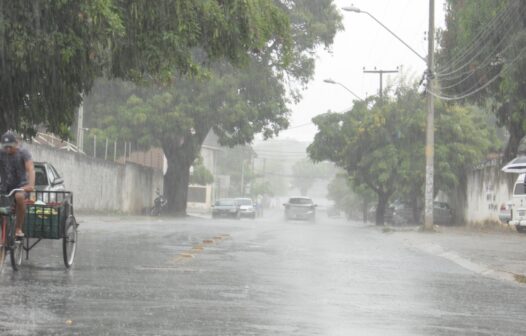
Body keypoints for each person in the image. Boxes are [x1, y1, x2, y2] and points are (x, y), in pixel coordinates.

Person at [0, 131, 35, 238]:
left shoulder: (23, 152)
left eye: (10, 146)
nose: (7, 149)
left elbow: (31, 169)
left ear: (15, 143)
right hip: (5, 187)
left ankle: (18, 227)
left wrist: (31, 185)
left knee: (19, 196)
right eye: (5, 147)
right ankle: (3, 231)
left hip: (21, 186)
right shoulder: (1, 153)